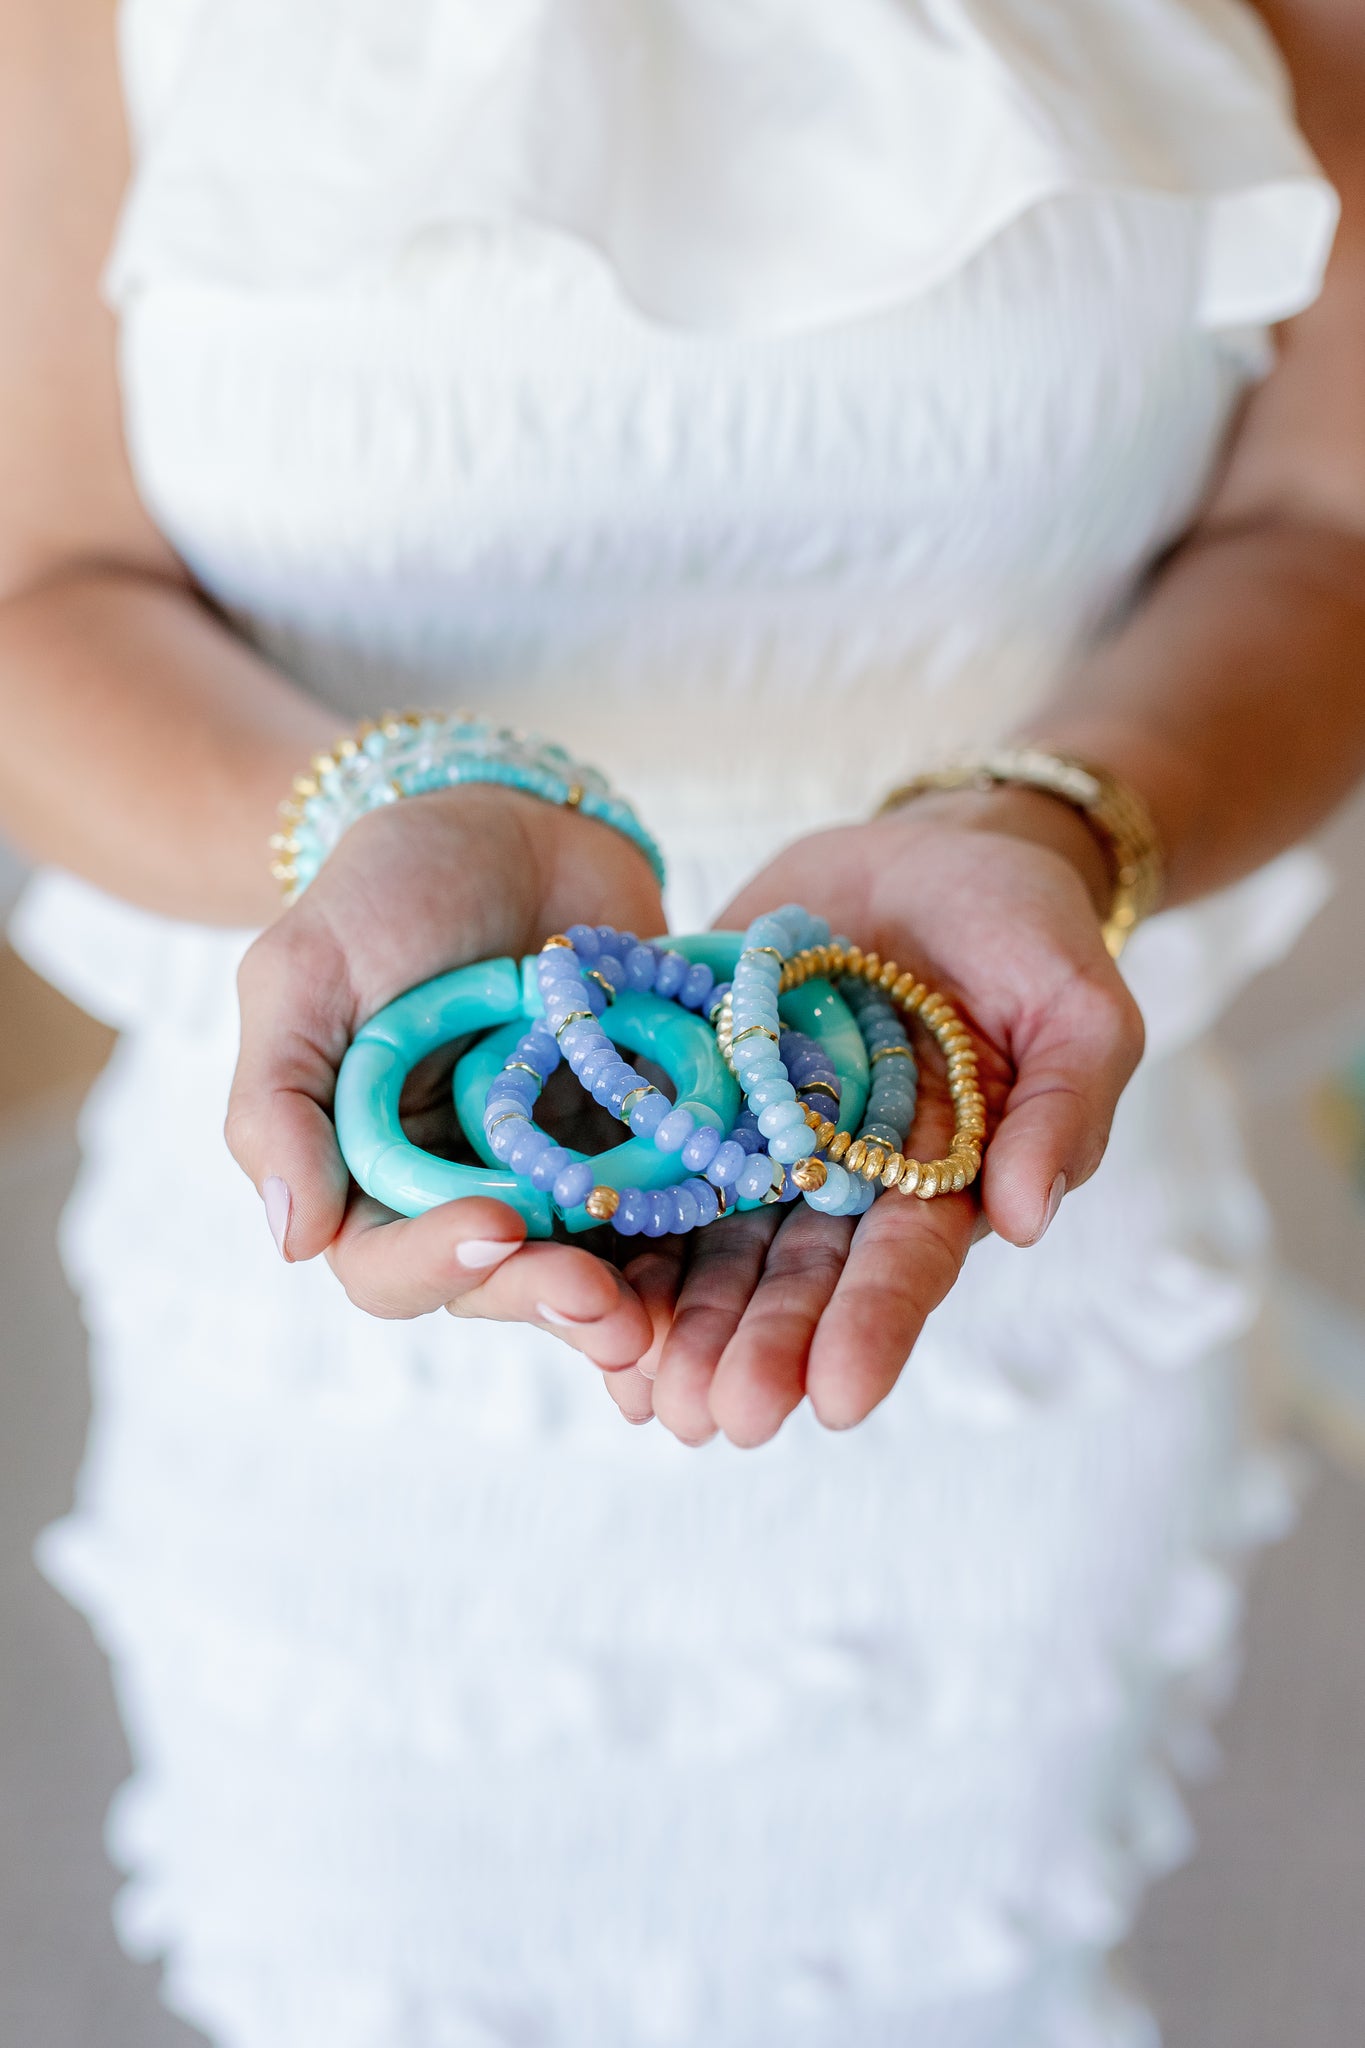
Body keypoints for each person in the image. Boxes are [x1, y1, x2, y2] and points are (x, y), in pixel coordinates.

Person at [3, 1, 1365, 2042]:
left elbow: (1327, 536)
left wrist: (1049, 819)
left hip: (990, 1212)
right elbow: (43, 586)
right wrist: (382, 808)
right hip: (349, 1360)